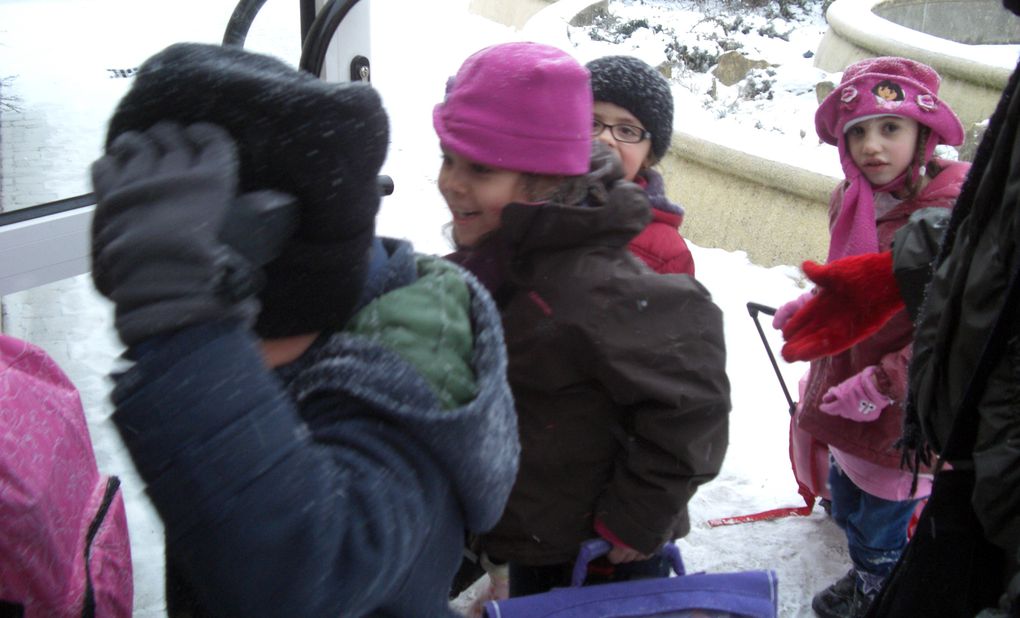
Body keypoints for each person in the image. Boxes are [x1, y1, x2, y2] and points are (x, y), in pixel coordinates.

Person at [88, 42, 519, 617]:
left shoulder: (404, 388)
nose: (229, 363)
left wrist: (186, 337)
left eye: (230, 337)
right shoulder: (313, 338)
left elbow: (307, 575)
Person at [435, 41, 731, 601]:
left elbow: (694, 401)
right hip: (536, 526)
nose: (452, 182)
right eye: (447, 158)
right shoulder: (504, 259)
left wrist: (635, 518)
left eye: (479, 168)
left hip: (597, 551)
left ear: (545, 179)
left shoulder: (591, 283)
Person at [771, 56, 969, 618]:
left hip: (898, 406)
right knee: (846, 491)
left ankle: (879, 582)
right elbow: (855, 282)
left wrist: (884, 383)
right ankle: (866, 560)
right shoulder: (853, 199)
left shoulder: (947, 220)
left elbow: (949, 332)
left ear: (924, 135)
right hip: (844, 379)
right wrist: (813, 305)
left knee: (881, 512)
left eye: (890, 128)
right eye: (858, 132)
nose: (872, 146)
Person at [586, 55, 695, 276]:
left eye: (627, 130)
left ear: (648, 155)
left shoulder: (666, 253)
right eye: (592, 123)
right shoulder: (527, 196)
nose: (606, 138)